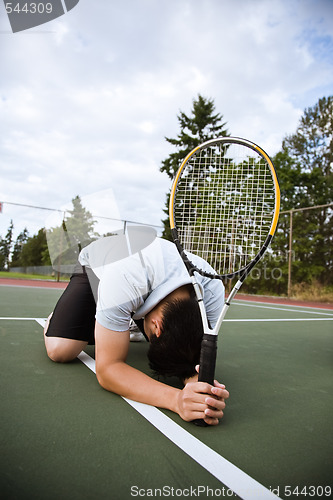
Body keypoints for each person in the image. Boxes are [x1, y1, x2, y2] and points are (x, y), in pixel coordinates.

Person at [44, 229, 229, 425]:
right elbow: (108, 370)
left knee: (134, 322)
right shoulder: (124, 277)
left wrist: (199, 389)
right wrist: (176, 400)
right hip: (99, 264)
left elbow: (192, 344)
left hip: (144, 284)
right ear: (157, 327)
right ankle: (58, 320)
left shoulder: (211, 288)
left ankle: (120, 322)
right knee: (61, 350)